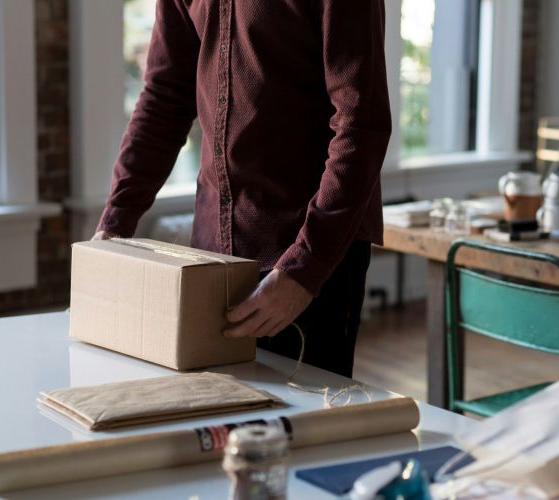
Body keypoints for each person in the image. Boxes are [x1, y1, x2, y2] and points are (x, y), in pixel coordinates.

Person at [92, 0, 391, 378]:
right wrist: (114, 225)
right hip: (211, 257)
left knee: (301, 429)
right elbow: (165, 98)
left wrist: (304, 269)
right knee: (214, 424)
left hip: (308, 256)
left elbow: (361, 126)